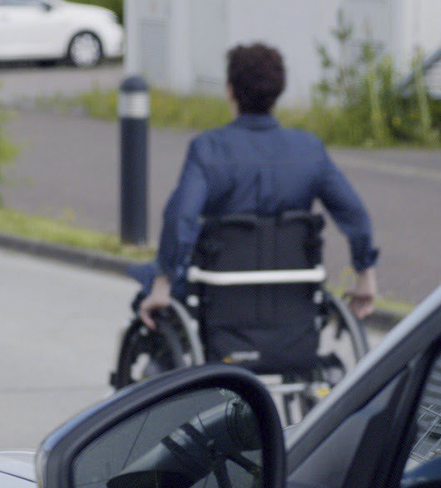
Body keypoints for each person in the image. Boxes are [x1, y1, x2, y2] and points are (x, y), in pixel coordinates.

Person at [133, 43, 379, 330]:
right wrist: (365, 273)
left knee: (148, 278)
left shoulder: (208, 149)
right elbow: (355, 214)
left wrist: (163, 282)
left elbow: (181, 217)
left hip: (221, 290)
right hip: (290, 293)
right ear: (279, 91)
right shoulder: (309, 150)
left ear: (230, 90)